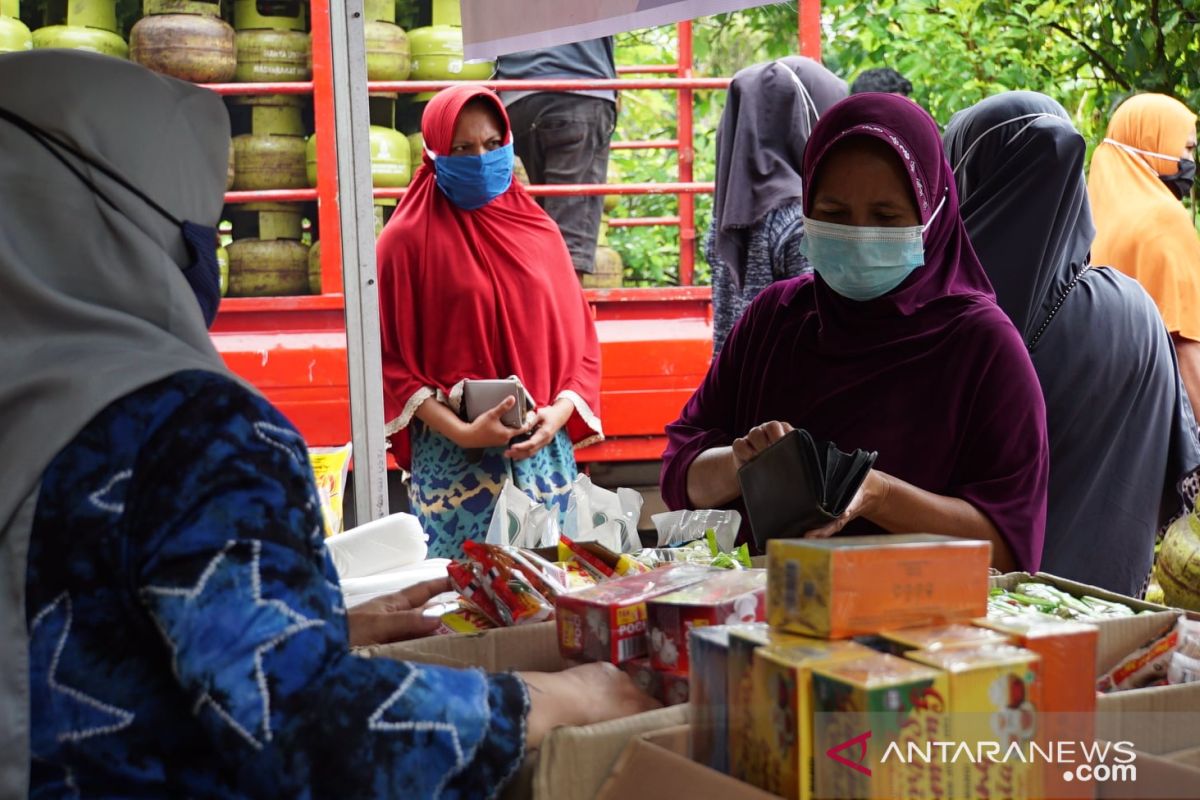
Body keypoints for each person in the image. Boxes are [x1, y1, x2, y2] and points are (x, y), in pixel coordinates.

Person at [0, 52, 652, 799]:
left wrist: (313, 627)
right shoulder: (190, 436)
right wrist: (557, 700)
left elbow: (92, 634)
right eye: (202, 231)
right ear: (146, 237)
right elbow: (306, 726)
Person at [660, 93, 1049, 572]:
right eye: (834, 214)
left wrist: (878, 494)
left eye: (886, 217)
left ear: (933, 216)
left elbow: (1011, 549)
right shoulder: (775, 319)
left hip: (923, 632)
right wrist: (741, 463)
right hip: (771, 619)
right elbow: (679, 476)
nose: (860, 235)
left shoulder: (982, 346)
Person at [945, 91, 1200, 597]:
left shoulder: (934, 321)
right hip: (1105, 620)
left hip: (959, 626)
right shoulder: (1132, 309)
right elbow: (1176, 472)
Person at [377, 85, 603, 559]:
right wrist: (462, 432)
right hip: (457, 471)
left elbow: (581, 342)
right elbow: (390, 362)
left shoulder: (539, 231)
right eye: (461, 148)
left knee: (551, 612)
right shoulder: (403, 241)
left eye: (491, 144)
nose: (480, 158)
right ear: (433, 152)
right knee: (464, 614)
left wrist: (555, 417)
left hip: (543, 458)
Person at [707, 57, 847, 356]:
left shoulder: (729, 209)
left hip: (738, 382)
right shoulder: (802, 217)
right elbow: (824, 326)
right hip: (786, 387)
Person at [1088, 94, 1200, 411]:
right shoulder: (1162, 220)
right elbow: (1185, 343)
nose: (1189, 160)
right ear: (1154, 142)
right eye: (1187, 147)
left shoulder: (1094, 219)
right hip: (1162, 418)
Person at [495, 39, 617, 276]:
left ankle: (547, 303)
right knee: (571, 239)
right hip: (580, 91)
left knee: (547, 223)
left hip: (517, 97)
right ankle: (564, 310)